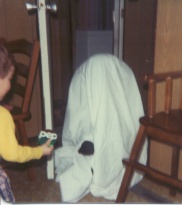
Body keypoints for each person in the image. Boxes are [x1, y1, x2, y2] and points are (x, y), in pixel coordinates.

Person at [55, 54, 147, 202]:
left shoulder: (120, 79)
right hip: (93, 122)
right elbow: (79, 114)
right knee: (90, 127)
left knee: (111, 129)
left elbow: (130, 110)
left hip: (117, 126)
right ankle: (91, 146)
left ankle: (95, 151)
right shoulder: (86, 81)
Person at [0, 45, 54, 202]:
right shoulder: (3, 117)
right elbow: (13, 154)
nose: (10, 84)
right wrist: (40, 151)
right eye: (10, 79)